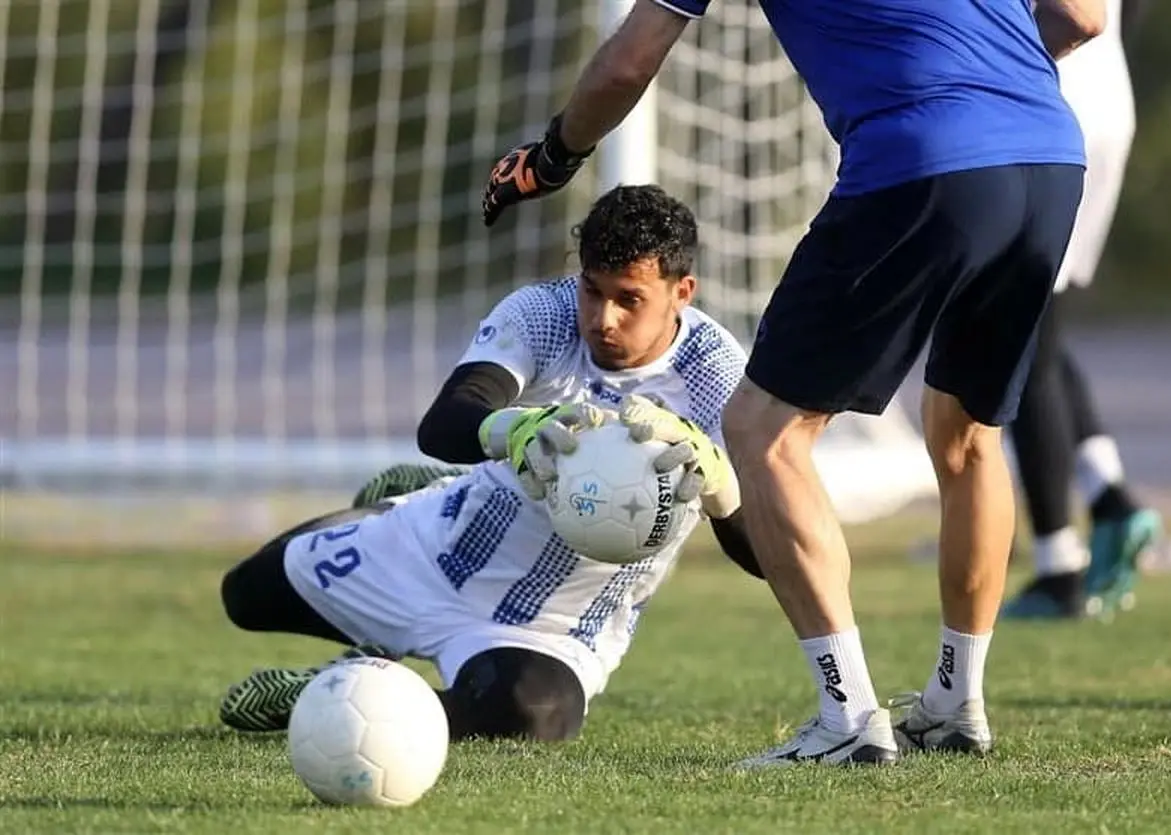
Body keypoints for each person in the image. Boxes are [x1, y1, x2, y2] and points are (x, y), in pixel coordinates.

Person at [480, 0, 1104, 765]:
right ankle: (955, 702)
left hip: (923, 157)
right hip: (1050, 153)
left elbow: (627, 63)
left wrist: (551, 158)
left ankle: (847, 718)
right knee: (967, 434)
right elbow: (1083, 15)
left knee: (762, 431)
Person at [218, 184, 760, 741]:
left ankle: (337, 693)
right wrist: (514, 426)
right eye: (592, 291)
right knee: (246, 595)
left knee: (532, 717)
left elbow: (769, 556)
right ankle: (409, 506)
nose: (603, 318)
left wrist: (724, 489)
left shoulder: (716, 377)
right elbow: (446, 421)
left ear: (682, 292)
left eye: (629, 299)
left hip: (553, 629)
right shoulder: (544, 313)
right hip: (436, 553)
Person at [1003, 0, 1162, 621]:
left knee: (1020, 337)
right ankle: (1110, 496)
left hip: (1049, 104)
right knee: (1039, 319)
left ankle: (1057, 566)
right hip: (1107, 100)